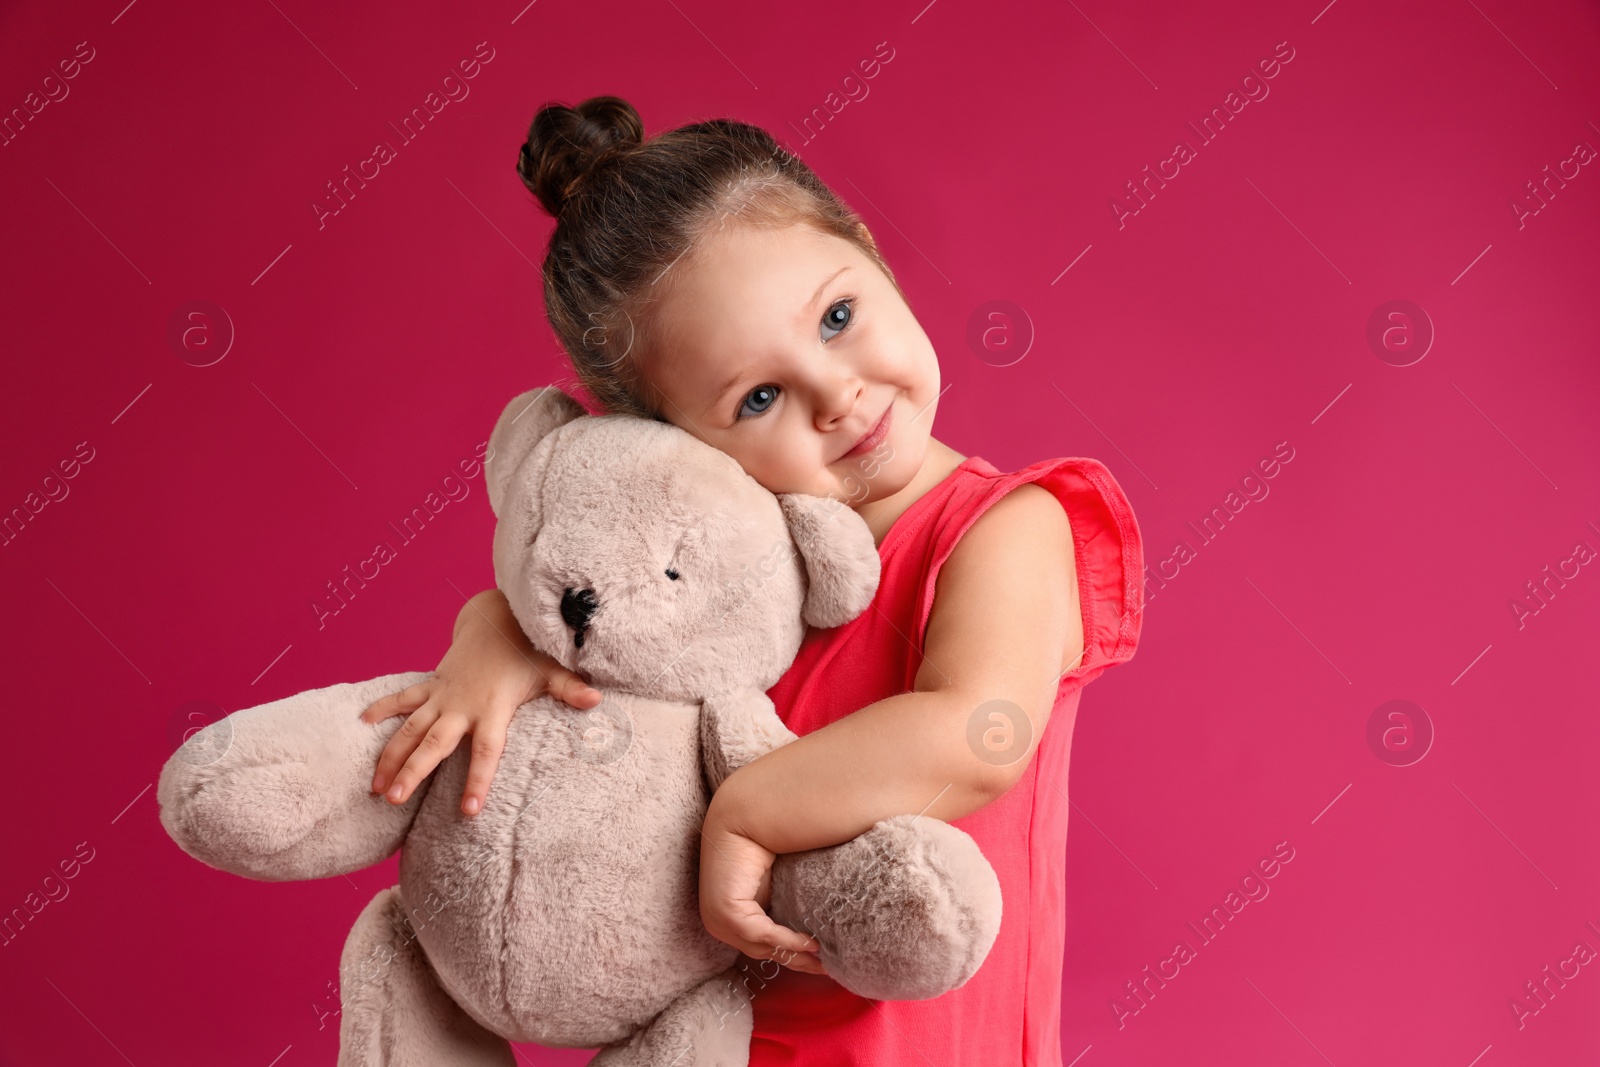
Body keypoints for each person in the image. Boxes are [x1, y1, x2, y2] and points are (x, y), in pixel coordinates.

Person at [357, 95, 1145, 1066]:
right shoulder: (706, 584)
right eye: (758, 397)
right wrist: (496, 630)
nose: (836, 392)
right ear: (667, 441)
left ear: (866, 246)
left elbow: (978, 732)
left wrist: (745, 810)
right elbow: (592, 626)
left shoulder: (1002, 529)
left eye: (838, 316)